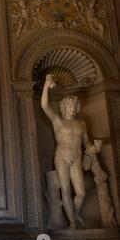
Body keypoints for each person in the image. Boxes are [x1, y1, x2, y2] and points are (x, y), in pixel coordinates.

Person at [41, 75, 96, 229]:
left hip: (77, 158)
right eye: (69, 106)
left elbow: (86, 142)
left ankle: (76, 213)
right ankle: (72, 222)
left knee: (81, 193)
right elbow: (45, 106)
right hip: (62, 158)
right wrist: (46, 85)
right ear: (64, 107)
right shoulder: (58, 121)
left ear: (77, 107)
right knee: (65, 190)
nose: (71, 109)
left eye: (73, 106)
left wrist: (91, 147)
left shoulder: (81, 124)